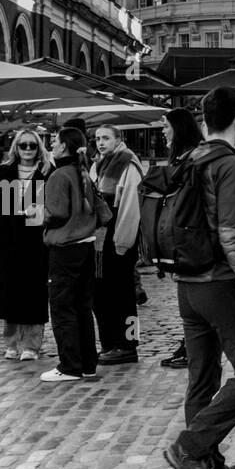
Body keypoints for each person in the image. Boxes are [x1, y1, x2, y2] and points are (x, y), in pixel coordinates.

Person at [162, 86, 235, 469]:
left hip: (187, 286)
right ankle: (189, 448)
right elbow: (231, 230)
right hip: (221, 282)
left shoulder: (191, 157)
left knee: (202, 379)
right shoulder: (231, 165)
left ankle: (209, 466)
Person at [0, 129, 53, 361]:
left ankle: (32, 345)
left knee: (35, 293)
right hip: (11, 241)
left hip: (37, 242)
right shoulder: (4, 172)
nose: (27, 150)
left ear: (39, 148)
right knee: (11, 293)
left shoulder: (47, 172)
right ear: (16, 147)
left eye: (32, 146)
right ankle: (12, 342)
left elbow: (56, 204)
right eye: (23, 145)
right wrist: (2, 228)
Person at [41, 128, 101, 382]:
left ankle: (70, 365)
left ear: (64, 146)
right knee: (82, 307)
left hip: (65, 248)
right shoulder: (82, 173)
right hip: (86, 245)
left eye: (54, 142)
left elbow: (56, 213)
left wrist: (35, 214)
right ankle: (87, 363)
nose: (51, 146)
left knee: (63, 307)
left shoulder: (60, 175)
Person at [89, 125, 145, 365]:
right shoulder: (99, 164)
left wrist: (122, 242)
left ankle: (128, 344)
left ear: (118, 140)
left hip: (118, 237)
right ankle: (110, 343)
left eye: (106, 138)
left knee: (123, 297)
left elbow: (130, 207)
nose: (101, 142)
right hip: (100, 239)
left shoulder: (127, 163)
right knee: (102, 296)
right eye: (97, 138)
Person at [157, 109, 205, 370]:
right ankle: (189, 348)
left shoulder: (192, 160)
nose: (163, 131)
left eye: (166, 126)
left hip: (191, 246)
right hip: (182, 246)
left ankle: (192, 349)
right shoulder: (183, 159)